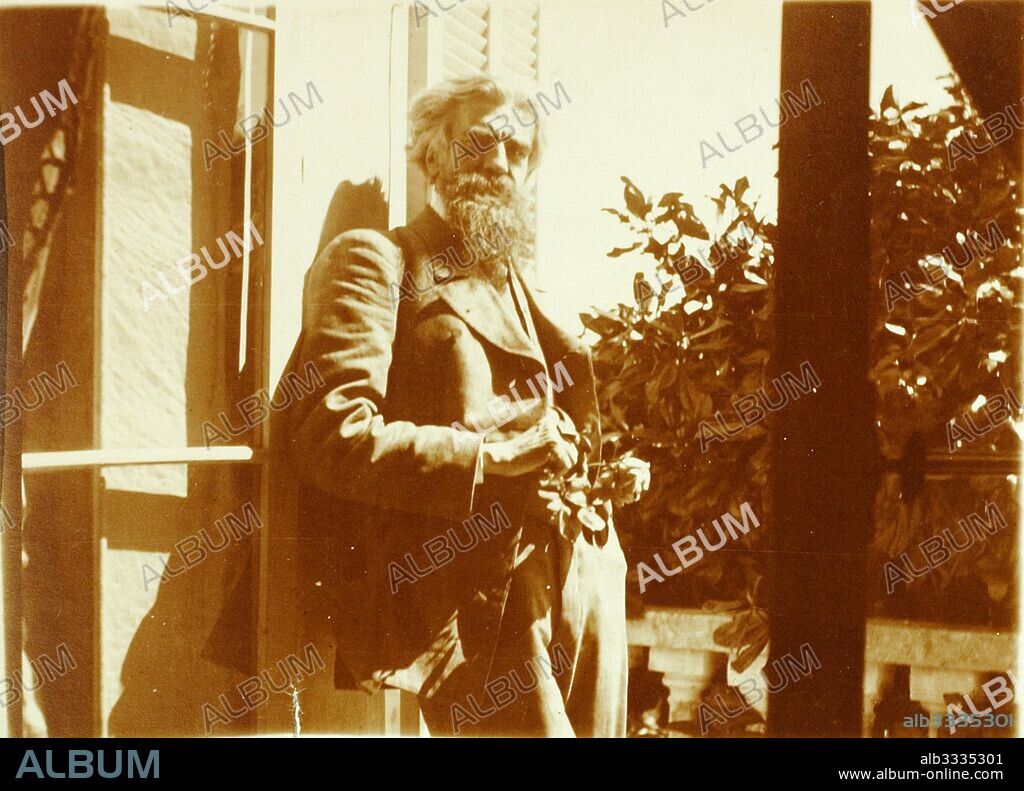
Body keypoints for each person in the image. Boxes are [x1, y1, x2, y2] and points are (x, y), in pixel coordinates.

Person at [278, 75, 643, 737]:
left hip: (587, 576)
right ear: (430, 153)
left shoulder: (529, 289)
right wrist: (490, 458)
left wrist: (596, 475)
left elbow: (544, 423)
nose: (499, 162)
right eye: (478, 142)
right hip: (482, 600)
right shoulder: (377, 260)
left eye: (517, 151)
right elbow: (333, 433)